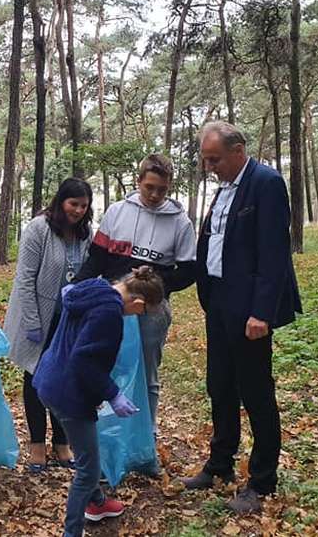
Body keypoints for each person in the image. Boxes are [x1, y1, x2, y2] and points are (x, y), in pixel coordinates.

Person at [179, 121, 302, 515]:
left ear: (238, 150)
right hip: (219, 302)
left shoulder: (265, 183)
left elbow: (273, 253)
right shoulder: (224, 189)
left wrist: (261, 312)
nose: (210, 166)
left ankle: (263, 481)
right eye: (206, 159)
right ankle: (220, 466)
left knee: (256, 393)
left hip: (249, 309)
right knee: (220, 386)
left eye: (215, 158)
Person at [75, 154, 196, 469]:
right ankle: (107, 440)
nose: (155, 195)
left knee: (146, 375)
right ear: (139, 181)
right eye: (150, 187)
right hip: (112, 305)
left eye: (162, 189)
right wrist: (76, 288)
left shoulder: (180, 221)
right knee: (108, 370)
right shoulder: (117, 212)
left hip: (152, 310)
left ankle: (144, 440)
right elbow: (97, 258)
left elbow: (187, 271)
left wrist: (155, 282)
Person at [32, 267, 164, 536]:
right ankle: (72, 531)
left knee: (85, 452)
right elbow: (84, 361)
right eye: (143, 312)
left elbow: (68, 298)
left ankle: (99, 502)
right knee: (89, 471)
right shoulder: (110, 314)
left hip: (50, 380)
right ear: (138, 303)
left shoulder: (95, 286)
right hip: (69, 393)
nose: (138, 316)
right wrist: (113, 394)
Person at [4, 177, 93, 473]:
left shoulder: (84, 233)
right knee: (36, 379)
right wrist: (32, 322)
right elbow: (25, 278)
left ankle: (62, 442)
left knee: (64, 380)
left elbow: (88, 273)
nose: (78, 210)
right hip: (37, 318)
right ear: (60, 202)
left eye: (83, 205)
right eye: (73, 204)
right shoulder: (39, 228)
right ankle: (37, 445)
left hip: (67, 320)